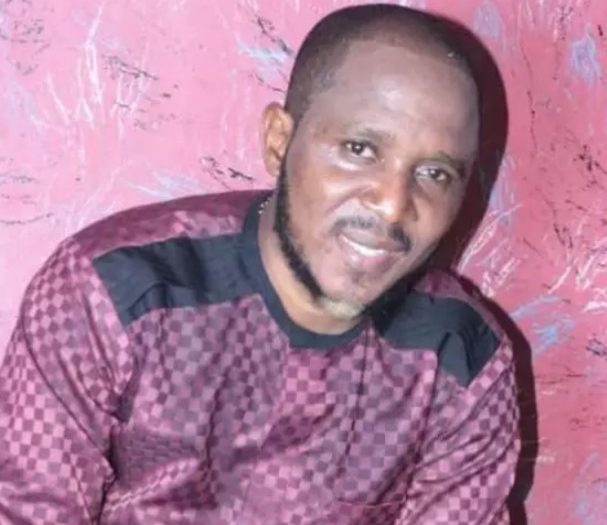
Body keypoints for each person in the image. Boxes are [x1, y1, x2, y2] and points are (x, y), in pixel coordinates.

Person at [0, 3, 519, 524]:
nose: (392, 203)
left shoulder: (461, 356)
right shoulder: (113, 292)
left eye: (434, 174)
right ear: (278, 142)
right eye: (360, 149)